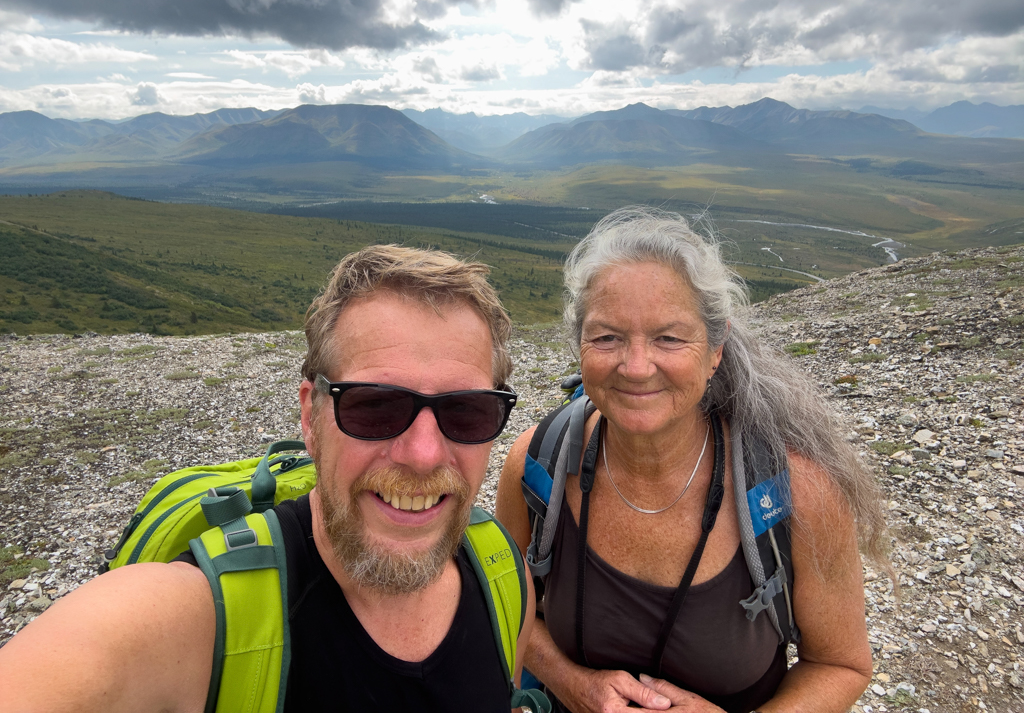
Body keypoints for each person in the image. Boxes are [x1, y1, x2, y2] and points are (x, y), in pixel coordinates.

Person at [0, 245, 535, 712]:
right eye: (375, 407)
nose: (422, 454)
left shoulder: (503, 576)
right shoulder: (193, 620)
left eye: (467, 412)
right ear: (310, 417)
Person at [495, 207, 888, 713]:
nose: (636, 367)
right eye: (607, 336)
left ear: (716, 349)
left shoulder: (797, 492)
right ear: (579, 346)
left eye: (669, 338)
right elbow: (506, 607)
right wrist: (573, 684)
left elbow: (841, 666)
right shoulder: (536, 465)